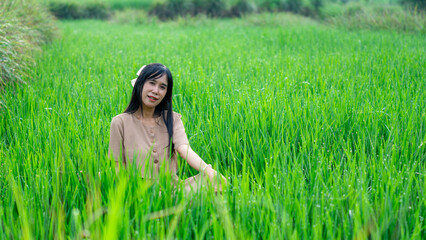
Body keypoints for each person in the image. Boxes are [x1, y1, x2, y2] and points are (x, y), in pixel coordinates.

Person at [108, 63, 226, 193]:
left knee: (213, 180)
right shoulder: (120, 122)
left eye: (162, 87)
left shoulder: (172, 119)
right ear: (140, 84)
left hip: (173, 189)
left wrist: (208, 170)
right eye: (152, 83)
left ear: (166, 93)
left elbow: (184, 149)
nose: (156, 91)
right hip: (140, 193)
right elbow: (117, 165)